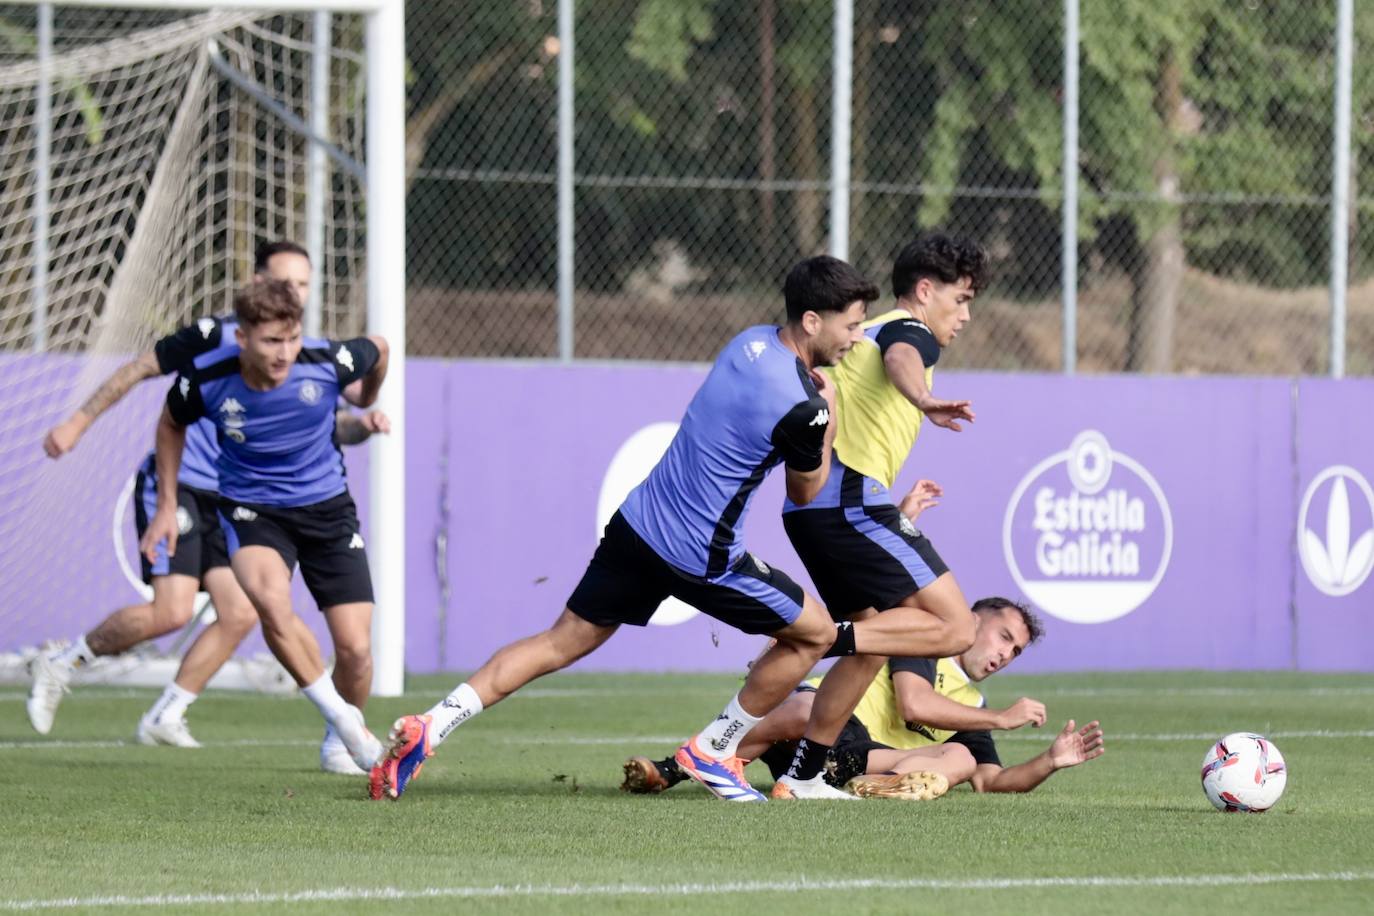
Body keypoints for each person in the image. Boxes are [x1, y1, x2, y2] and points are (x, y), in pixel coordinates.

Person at [368, 256, 880, 803]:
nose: (856, 337)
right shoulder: (808, 407)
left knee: (557, 642)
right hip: (701, 553)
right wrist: (827, 413)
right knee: (816, 632)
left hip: (638, 526)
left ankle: (432, 725)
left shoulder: (748, 342)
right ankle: (713, 749)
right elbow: (805, 491)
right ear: (810, 321)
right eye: (850, 325)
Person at [28, 242, 386, 773]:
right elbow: (142, 378)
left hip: (249, 496)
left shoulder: (309, 356)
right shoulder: (209, 342)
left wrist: (363, 414)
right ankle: (64, 660)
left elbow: (328, 416)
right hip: (195, 491)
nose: (295, 293)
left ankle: (166, 714)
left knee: (245, 614)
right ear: (255, 284)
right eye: (286, 281)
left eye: (305, 285)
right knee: (176, 611)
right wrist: (78, 424)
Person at [769, 232, 991, 799]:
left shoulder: (860, 335)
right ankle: (818, 639)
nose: (965, 314)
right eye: (961, 298)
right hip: (848, 500)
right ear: (924, 290)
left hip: (817, 508)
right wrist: (923, 399)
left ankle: (803, 776)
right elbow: (902, 357)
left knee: (873, 651)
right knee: (956, 627)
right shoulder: (908, 328)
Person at [140, 276, 390, 773]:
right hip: (252, 511)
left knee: (357, 650)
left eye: (291, 338)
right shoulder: (205, 377)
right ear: (243, 338)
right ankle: (343, 722)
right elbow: (171, 424)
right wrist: (166, 504)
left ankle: (337, 740)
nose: (284, 353)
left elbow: (380, 348)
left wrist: (365, 397)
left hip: (328, 510)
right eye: (272, 341)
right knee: (272, 604)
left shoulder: (326, 362)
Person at [624, 596, 1105, 798]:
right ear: (973, 619)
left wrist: (1049, 761)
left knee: (960, 756)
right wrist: (1000, 719)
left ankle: (880, 791)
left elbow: (991, 780)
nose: (1005, 653)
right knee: (808, 706)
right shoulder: (925, 643)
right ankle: (674, 769)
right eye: (1003, 637)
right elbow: (914, 703)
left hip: (862, 762)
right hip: (811, 731)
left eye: (1015, 651)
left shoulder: (972, 709)